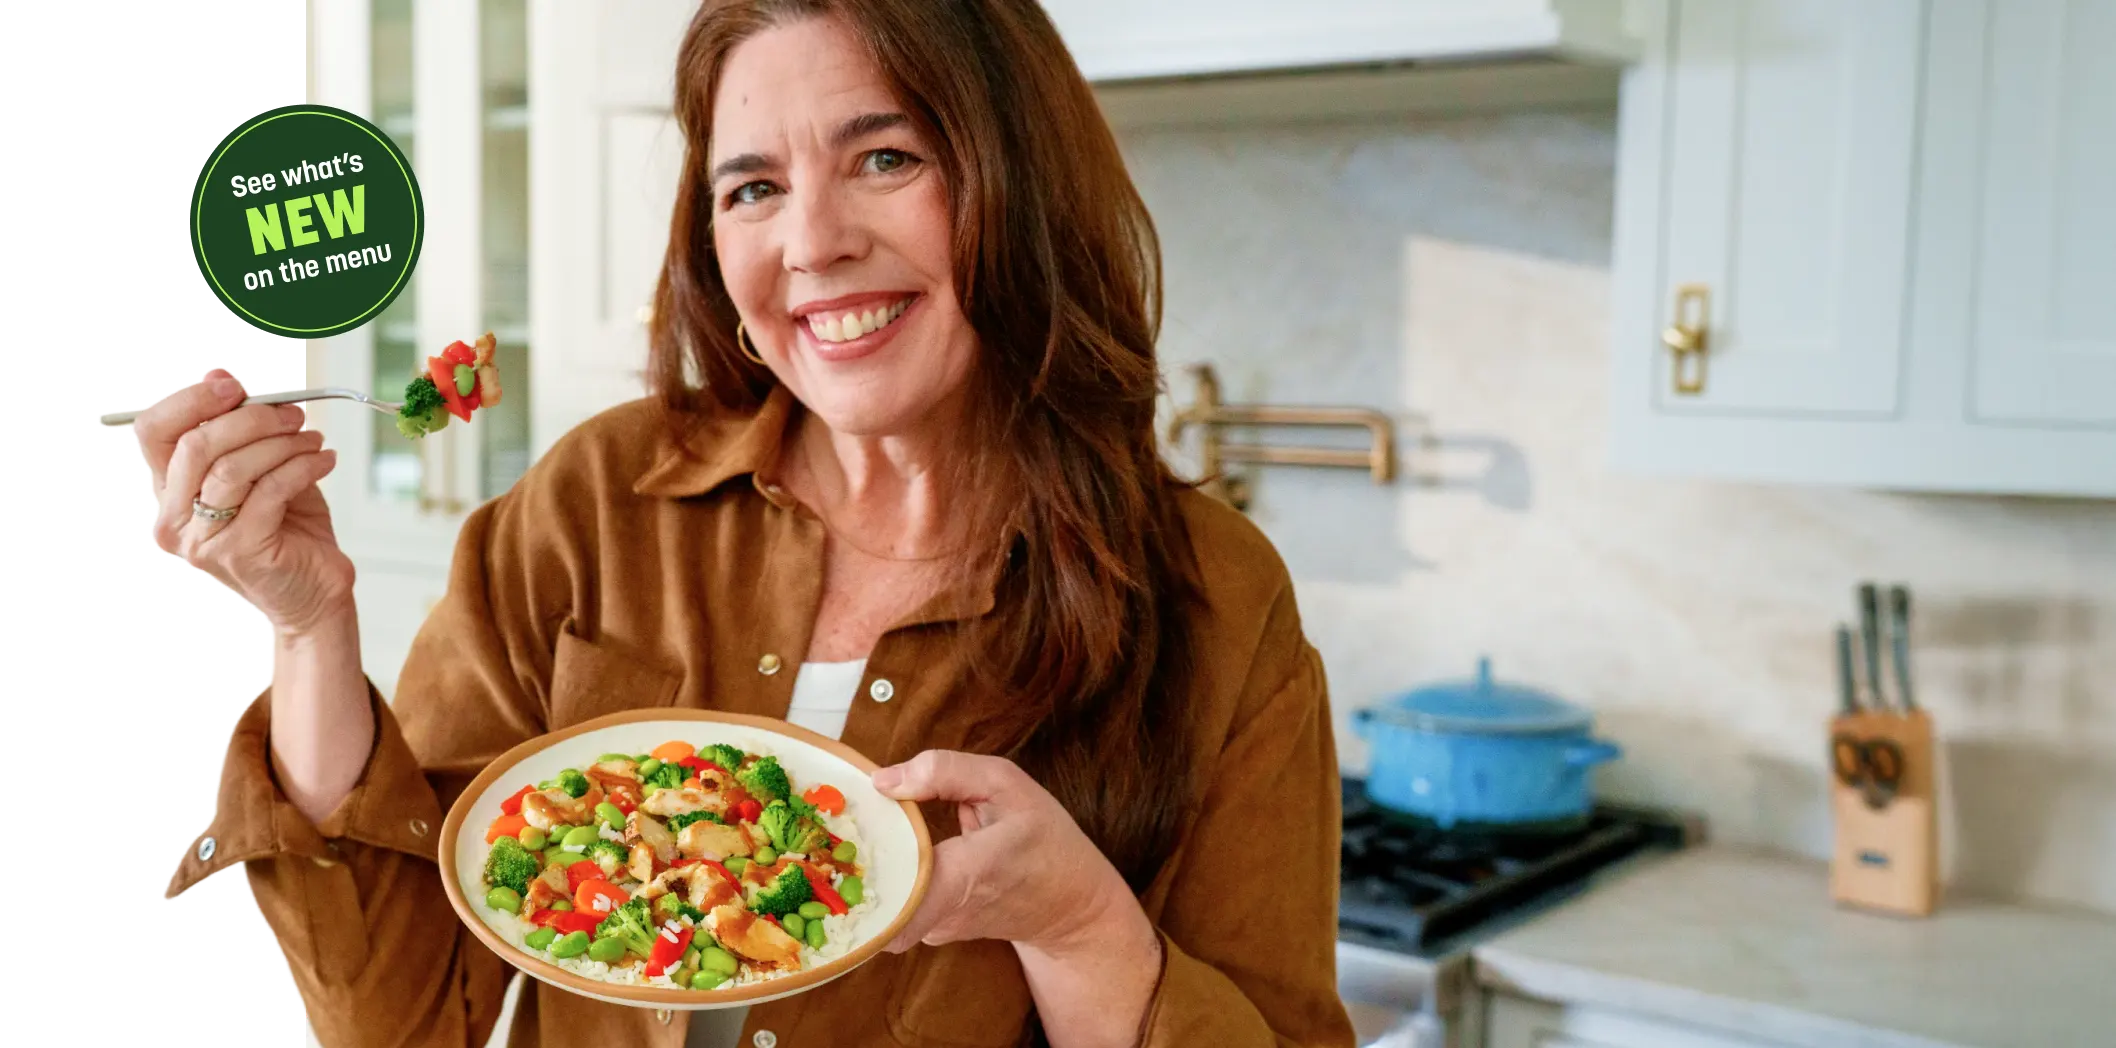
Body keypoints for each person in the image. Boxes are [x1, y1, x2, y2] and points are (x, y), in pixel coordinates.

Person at [150, 1, 1355, 1046]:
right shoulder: (595, 504)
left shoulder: (1217, 600)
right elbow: (401, 1018)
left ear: (1018, 179)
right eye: (754, 187)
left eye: (885, 157)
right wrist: (310, 626)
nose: (811, 243)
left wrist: (1078, 925)